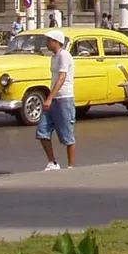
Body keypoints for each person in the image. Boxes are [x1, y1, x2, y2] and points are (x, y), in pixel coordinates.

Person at [37, 29, 77, 170]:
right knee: (42, 131)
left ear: (56, 42)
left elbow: (61, 78)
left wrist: (49, 98)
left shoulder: (64, 55)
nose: (47, 43)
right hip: (53, 98)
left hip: (64, 99)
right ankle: (52, 162)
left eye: (49, 40)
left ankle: (71, 166)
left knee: (67, 134)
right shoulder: (54, 57)